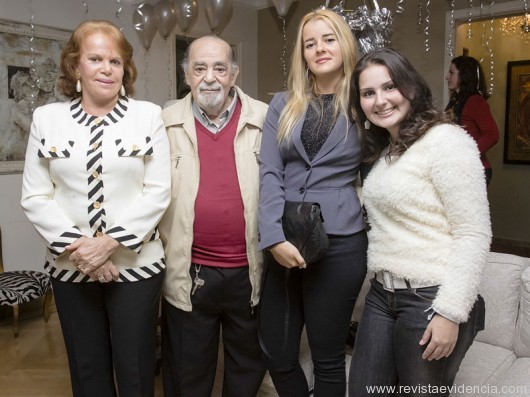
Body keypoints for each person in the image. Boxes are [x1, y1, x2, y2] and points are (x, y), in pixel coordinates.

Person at [20, 20, 170, 397]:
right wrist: (83, 249)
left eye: (115, 61)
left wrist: (108, 246)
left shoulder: (148, 116)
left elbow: (158, 191)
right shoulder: (46, 119)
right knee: (87, 373)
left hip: (136, 268)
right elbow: (36, 197)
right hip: (71, 269)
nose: (106, 68)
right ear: (75, 67)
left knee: (136, 371)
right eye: (95, 58)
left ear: (125, 69)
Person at [348, 48, 491, 396]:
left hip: (432, 297)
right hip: (382, 295)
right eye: (368, 93)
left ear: (410, 87)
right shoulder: (386, 153)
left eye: (389, 87)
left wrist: (450, 313)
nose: (380, 100)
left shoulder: (447, 141)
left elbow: (473, 233)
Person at [258, 8, 368, 396]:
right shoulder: (283, 103)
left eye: (328, 38)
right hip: (284, 238)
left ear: (344, 44)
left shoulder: (363, 101)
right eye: (310, 43)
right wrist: (272, 237)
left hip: (340, 242)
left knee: (327, 358)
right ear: (302, 54)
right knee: (277, 351)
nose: (319, 48)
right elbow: (269, 171)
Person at [158, 35, 268, 397]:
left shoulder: (266, 120)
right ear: (186, 74)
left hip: (251, 273)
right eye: (200, 68)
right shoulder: (163, 124)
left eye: (220, 68)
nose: (210, 78)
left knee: (247, 368)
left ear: (234, 74)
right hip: (190, 272)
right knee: (187, 373)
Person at [445, 55, 499, 185]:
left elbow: (492, 135)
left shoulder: (475, 101)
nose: (447, 77)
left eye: (451, 73)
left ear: (464, 75)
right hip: (459, 169)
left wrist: (467, 155)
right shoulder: (455, 101)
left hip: (475, 170)